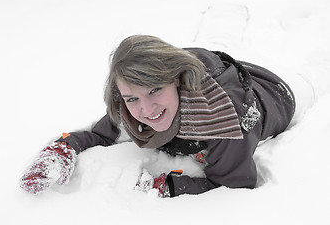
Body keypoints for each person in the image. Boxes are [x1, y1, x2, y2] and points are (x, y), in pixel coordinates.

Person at [20, 35, 296, 197]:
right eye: (132, 98)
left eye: (154, 90)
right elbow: (101, 133)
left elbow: (236, 184)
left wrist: (170, 185)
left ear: (175, 80)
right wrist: (62, 148)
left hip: (275, 92)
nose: (147, 110)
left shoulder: (223, 120)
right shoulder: (129, 103)